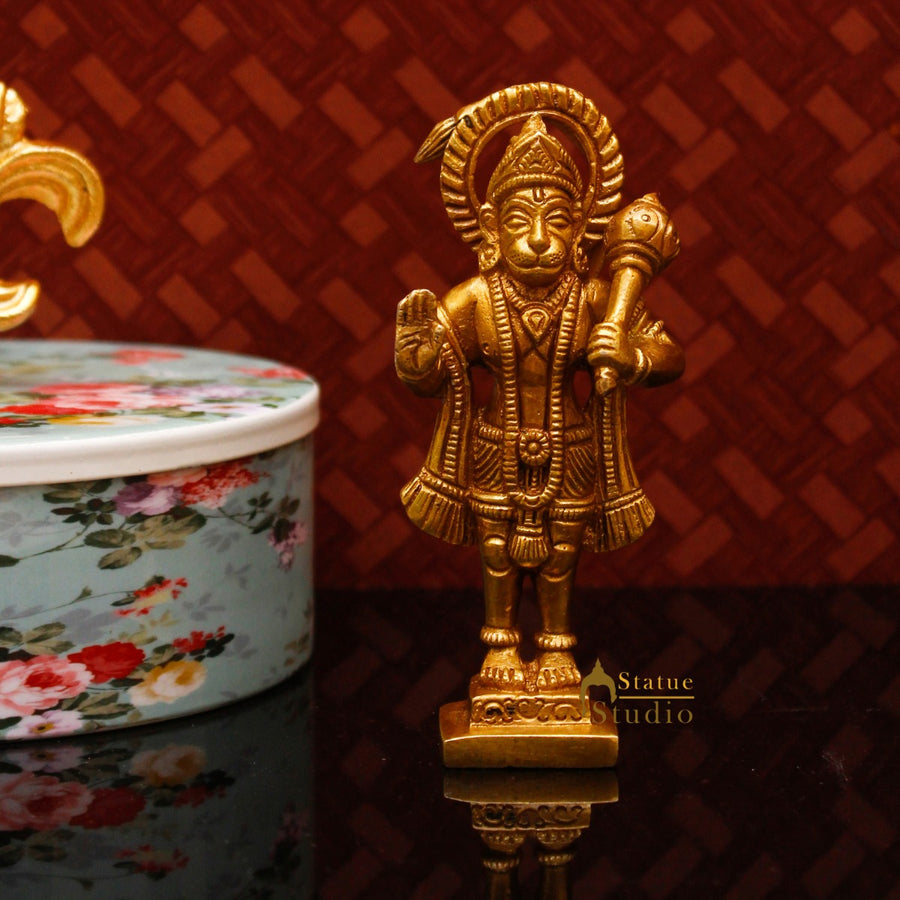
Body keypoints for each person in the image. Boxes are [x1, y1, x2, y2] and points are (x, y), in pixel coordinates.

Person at [396, 114, 683, 692]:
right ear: (489, 227)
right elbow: (431, 375)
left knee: (562, 553)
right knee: (496, 550)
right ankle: (500, 646)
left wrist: (630, 356)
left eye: (556, 221)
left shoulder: (596, 298)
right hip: (493, 444)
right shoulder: (475, 299)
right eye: (518, 222)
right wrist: (414, 352)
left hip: (572, 447)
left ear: (579, 230)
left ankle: (557, 651)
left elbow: (668, 353)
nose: (537, 239)